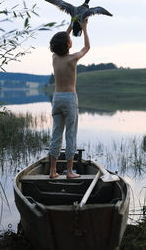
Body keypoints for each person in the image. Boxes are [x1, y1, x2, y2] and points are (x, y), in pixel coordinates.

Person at [49, 19, 90, 178]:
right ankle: (70, 172)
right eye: (69, 40)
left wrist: (71, 25)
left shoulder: (54, 58)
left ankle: (53, 171)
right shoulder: (72, 58)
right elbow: (87, 47)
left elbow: (59, 42)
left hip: (57, 98)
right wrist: (84, 28)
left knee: (56, 134)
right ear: (68, 45)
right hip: (69, 98)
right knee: (70, 134)